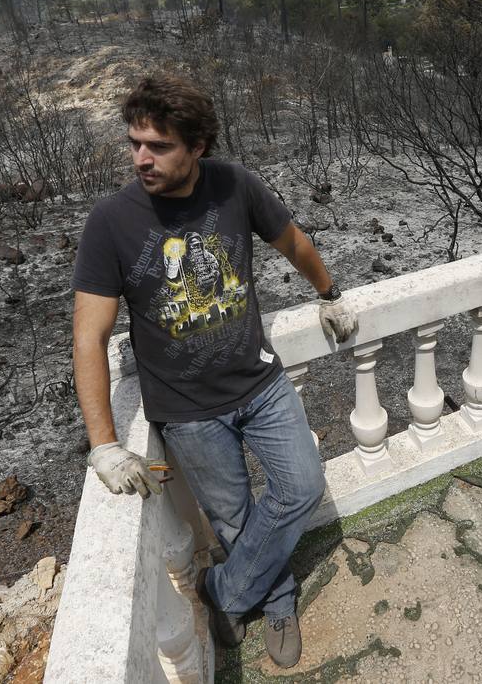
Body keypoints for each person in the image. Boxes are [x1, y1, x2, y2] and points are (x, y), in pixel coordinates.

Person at [70, 72, 357, 669]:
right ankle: (277, 600)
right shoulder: (111, 222)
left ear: (197, 146)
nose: (141, 159)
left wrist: (330, 292)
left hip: (260, 381)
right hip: (188, 409)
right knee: (234, 518)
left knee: (301, 487)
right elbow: (88, 338)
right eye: (134, 144)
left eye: (159, 146)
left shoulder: (233, 185)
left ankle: (226, 593)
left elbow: (293, 242)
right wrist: (103, 445)